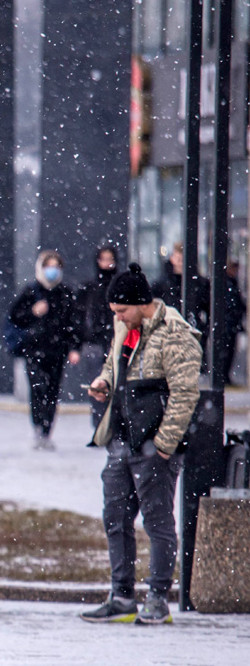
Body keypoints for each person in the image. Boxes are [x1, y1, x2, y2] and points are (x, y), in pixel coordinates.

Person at [82, 264, 202, 625]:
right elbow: (112, 365)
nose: (116, 318)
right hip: (122, 439)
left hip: (154, 444)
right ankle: (121, 596)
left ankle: (158, 597)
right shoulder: (126, 328)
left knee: (158, 522)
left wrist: (164, 446)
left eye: (121, 310)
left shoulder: (176, 335)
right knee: (115, 518)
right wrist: (104, 381)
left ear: (140, 304)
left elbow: (185, 394)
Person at [7, 249, 83, 449]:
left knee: (52, 391)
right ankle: (38, 428)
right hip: (34, 350)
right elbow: (15, 317)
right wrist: (33, 312)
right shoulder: (31, 291)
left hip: (57, 351)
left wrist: (74, 347)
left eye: (56, 267)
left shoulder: (65, 293)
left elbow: (73, 324)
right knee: (37, 388)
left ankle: (47, 430)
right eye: (48, 266)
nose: (52, 271)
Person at [77, 246, 119, 424]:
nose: (107, 263)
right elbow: (79, 316)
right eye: (104, 259)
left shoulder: (118, 286)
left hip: (115, 342)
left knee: (114, 386)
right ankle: (100, 423)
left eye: (110, 259)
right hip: (95, 343)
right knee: (98, 386)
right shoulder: (90, 288)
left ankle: (109, 425)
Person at [214, 260, 246, 387]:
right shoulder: (228, 284)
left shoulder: (228, 283)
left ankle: (223, 376)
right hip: (229, 324)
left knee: (228, 350)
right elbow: (232, 304)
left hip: (230, 323)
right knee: (227, 350)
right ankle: (223, 376)